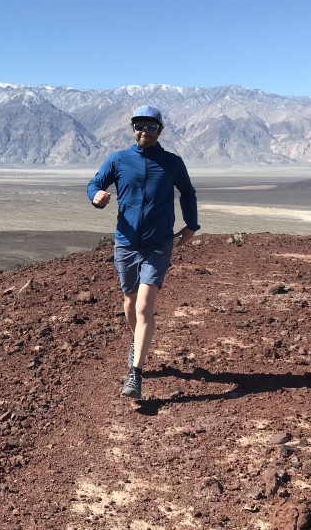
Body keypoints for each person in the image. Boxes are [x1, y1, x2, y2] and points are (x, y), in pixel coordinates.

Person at [87, 105, 199, 400]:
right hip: (125, 242)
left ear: (160, 130)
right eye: (139, 125)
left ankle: (135, 375)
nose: (144, 131)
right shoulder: (118, 160)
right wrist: (96, 197)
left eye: (151, 127)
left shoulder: (172, 163)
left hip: (159, 243)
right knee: (129, 303)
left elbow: (188, 192)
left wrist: (191, 225)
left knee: (144, 306)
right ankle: (136, 342)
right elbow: (94, 183)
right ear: (132, 128)